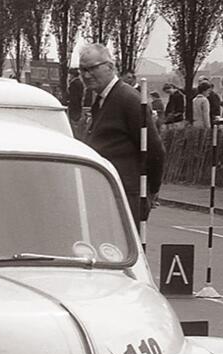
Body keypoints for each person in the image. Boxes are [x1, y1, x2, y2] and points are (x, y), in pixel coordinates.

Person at [78, 43, 164, 225]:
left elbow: (154, 149)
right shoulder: (102, 100)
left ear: (110, 67)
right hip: (107, 192)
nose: (86, 75)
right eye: (82, 69)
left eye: (92, 68)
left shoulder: (128, 99)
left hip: (124, 195)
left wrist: (150, 190)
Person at [66, 67, 84, 139]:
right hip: (78, 106)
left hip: (74, 106)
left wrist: (69, 101)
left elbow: (74, 97)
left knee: (73, 124)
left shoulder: (73, 84)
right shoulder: (80, 83)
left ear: (72, 75)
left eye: (70, 75)